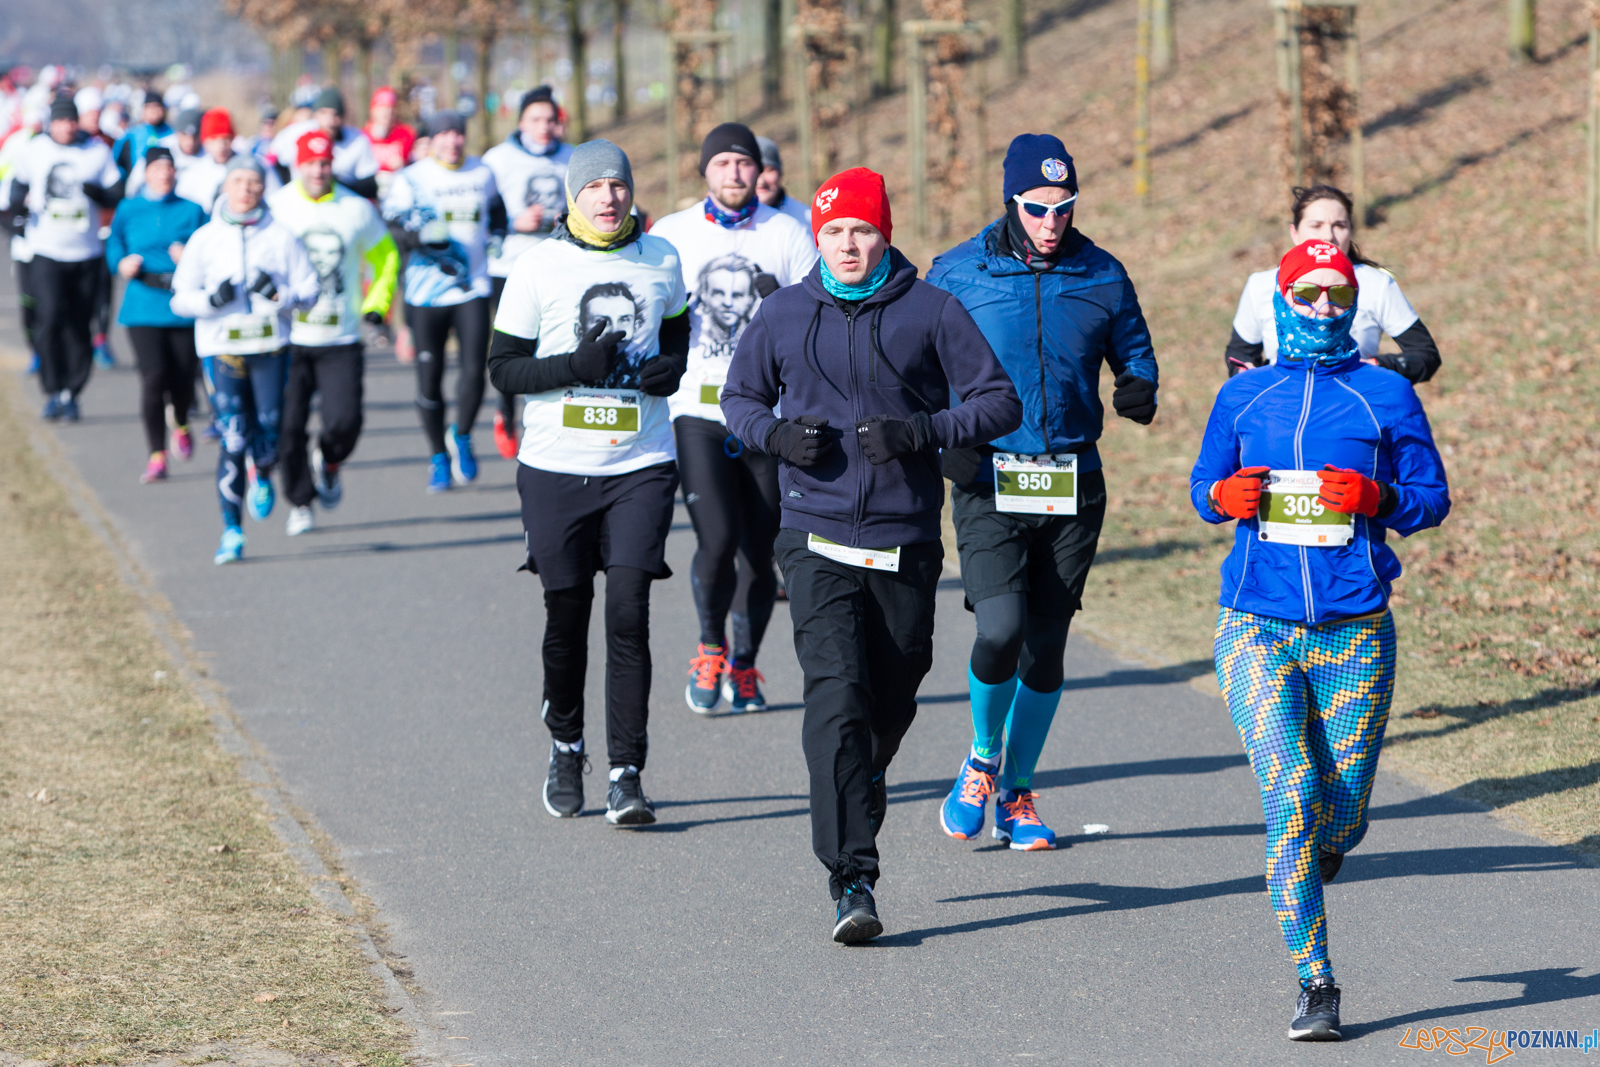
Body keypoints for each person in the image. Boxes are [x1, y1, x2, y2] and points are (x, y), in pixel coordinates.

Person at [721, 167, 1021, 943]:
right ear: (816, 238)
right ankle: (851, 875)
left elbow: (998, 399)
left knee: (890, 699)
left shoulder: (931, 310)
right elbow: (739, 399)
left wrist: (920, 432)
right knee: (836, 698)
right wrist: (778, 437)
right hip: (813, 535)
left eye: (861, 231)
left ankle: (859, 776)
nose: (847, 245)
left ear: (884, 233)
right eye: (833, 233)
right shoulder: (784, 314)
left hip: (904, 540)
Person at [1191, 239, 1449, 1041]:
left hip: (1356, 629)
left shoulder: (1386, 394)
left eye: (1338, 297)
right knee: (1292, 795)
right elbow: (1204, 487)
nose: (1324, 310)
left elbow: (1431, 496)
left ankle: (1322, 844)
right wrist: (1224, 496)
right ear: (1282, 300)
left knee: (1339, 812)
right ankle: (1317, 982)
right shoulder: (1243, 396)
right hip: (1255, 625)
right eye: (1309, 296)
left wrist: (1377, 494)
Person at [926, 134, 1159, 851]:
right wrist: (946, 443)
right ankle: (982, 756)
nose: (1051, 221)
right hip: (988, 475)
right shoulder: (958, 272)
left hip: (1072, 480)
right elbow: (916, 364)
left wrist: (1139, 386)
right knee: (999, 629)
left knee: (1048, 647)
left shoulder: (1102, 273)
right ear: (1012, 200)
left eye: (1064, 208)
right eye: (1037, 207)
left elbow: (1136, 351)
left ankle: (1018, 794)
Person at [487, 139, 690, 827]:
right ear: (573, 198)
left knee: (629, 610)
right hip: (555, 468)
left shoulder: (661, 258)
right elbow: (505, 370)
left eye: (619, 185)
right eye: (594, 187)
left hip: (640, 463)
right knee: (566, 613)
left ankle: (627, 772)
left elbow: (677, 339)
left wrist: (671, 371)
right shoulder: (538, 265)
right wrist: (574, 364)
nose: (609, 197)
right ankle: (566, 742)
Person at [649, 123, 818, 714]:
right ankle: (709, 647)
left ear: (758, 171)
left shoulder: (791, 234)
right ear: (705, 171)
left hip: (767, 418)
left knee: (760, 551)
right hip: (696, 410)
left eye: (744, 163)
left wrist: (784, 302)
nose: (734, 173)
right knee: (716, 540)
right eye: (721, 162)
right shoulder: (672, 235)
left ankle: (744, 667)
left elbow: (820, 321)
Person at [170, 156, 318, 564]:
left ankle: (264, 471)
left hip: (271, 348)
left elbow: (311, 291)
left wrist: (279, 296)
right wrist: (210, 300)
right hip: (222, 350)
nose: (246, 189)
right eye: (238, 181)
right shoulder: (205, 238)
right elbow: (180, 298)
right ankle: (232, 531)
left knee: (270, 426)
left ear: (262, 188)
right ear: (225, 186)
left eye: (254, 182)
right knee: (234, 435)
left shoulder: (282, 236)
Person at [268, 128, 399, 535]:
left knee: (345, 421)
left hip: (340, 336)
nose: (319, 170)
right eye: (311, 163)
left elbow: (387, 258)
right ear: (298, 165)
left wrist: (377, 306)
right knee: (287, 429)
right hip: (287, 338)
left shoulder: (356, 209)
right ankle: (301, 501)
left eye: (325, 163)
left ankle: (328, 459)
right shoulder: (277, 206)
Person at [382, 110, 505, 491]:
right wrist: (422, 239)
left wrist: (497, 239)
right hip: (424, 294)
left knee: (474, 372)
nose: (452, 140)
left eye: (458, 133)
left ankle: (463, 435)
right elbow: (392, 229)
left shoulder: (482, 172)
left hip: (472, 287)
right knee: (429, 379)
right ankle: (437, 454)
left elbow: (498, 212)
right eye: (444, 134)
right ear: (431, 140)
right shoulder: (411, 179)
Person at [1226, 184, 1441, 384]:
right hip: (1283, 412)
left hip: (1353, 410)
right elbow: (1240, 354)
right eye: (1316, 225)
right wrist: (1250, 379)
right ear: (1294, 232)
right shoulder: (1261, 284)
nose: (1328, 236)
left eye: (1339, 225)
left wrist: (1373, 368)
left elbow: (1425, 356)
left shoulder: (1376, 284)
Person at [6, 93, 124, 420]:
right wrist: (16, 218)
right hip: (45, 250)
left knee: (78, 323)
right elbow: (17, 188)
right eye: (60, 121)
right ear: (50, 123)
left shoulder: (97, 151)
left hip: (86, 252)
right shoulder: (35, 150)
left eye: (71, 120)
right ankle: (52, 388)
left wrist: (97, 194)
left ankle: (72, 391)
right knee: (48, 319)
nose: (67, 127)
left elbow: (117, 192)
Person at [106, 145, 208, 483]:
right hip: (142, 304)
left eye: (169, 169)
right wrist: (120, 262)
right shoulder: (129, 208)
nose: (164, 175)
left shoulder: (192, 210)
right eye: (157, 169)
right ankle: (157, 455)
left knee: (181, 380)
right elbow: (114, 242)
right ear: (146, 173)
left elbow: (212, 247)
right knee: (153, 379)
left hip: (181, 305)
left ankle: (179, 419)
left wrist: (191, 256)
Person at [482, 85, 573, 460]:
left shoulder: (572, 157)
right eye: (536, 119)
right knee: (514, 345)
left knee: (552, 345)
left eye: (551, 120)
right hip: (509, 266)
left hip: (560, 266)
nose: (544, 127)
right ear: (520, 122)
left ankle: (548, 418)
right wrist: (513, 222)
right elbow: (482, 216)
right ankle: (506, 411)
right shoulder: (497, 160)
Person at [270, 88, 379, 199]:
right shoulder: (295, 133)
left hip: (339, 203)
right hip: (299, 202)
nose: (330, 121)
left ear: (343, 117)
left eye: (336, 115)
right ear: (314, 114)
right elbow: (273, 164)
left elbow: (369, 186)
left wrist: (333, 183)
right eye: (323, 113)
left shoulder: (358, 139)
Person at [176, 108, 238, 215]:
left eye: (225, 139)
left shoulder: (249, 167)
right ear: (205, 141)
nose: (221, 146)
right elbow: (181, 205)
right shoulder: (194, 171)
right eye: (214, 139)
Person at [363, 87, 415, 198]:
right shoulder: (362, 137)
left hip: (399, 193)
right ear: (372, 110)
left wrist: (406, 163)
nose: (387, 112)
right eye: (382, 108)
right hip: (372, 192)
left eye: (391, 108)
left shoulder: (406, 134)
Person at [112, 90, 171, 180]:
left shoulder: (172, 135)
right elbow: (117, 163)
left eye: (157, 106)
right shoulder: (131, 135)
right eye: (149, 107)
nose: (154, 111)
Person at [753, 135, 810, 229]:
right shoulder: (730, 222)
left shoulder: (805, 219)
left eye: (769, 170)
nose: (761, 181)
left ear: (780, 173)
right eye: (756, 171)